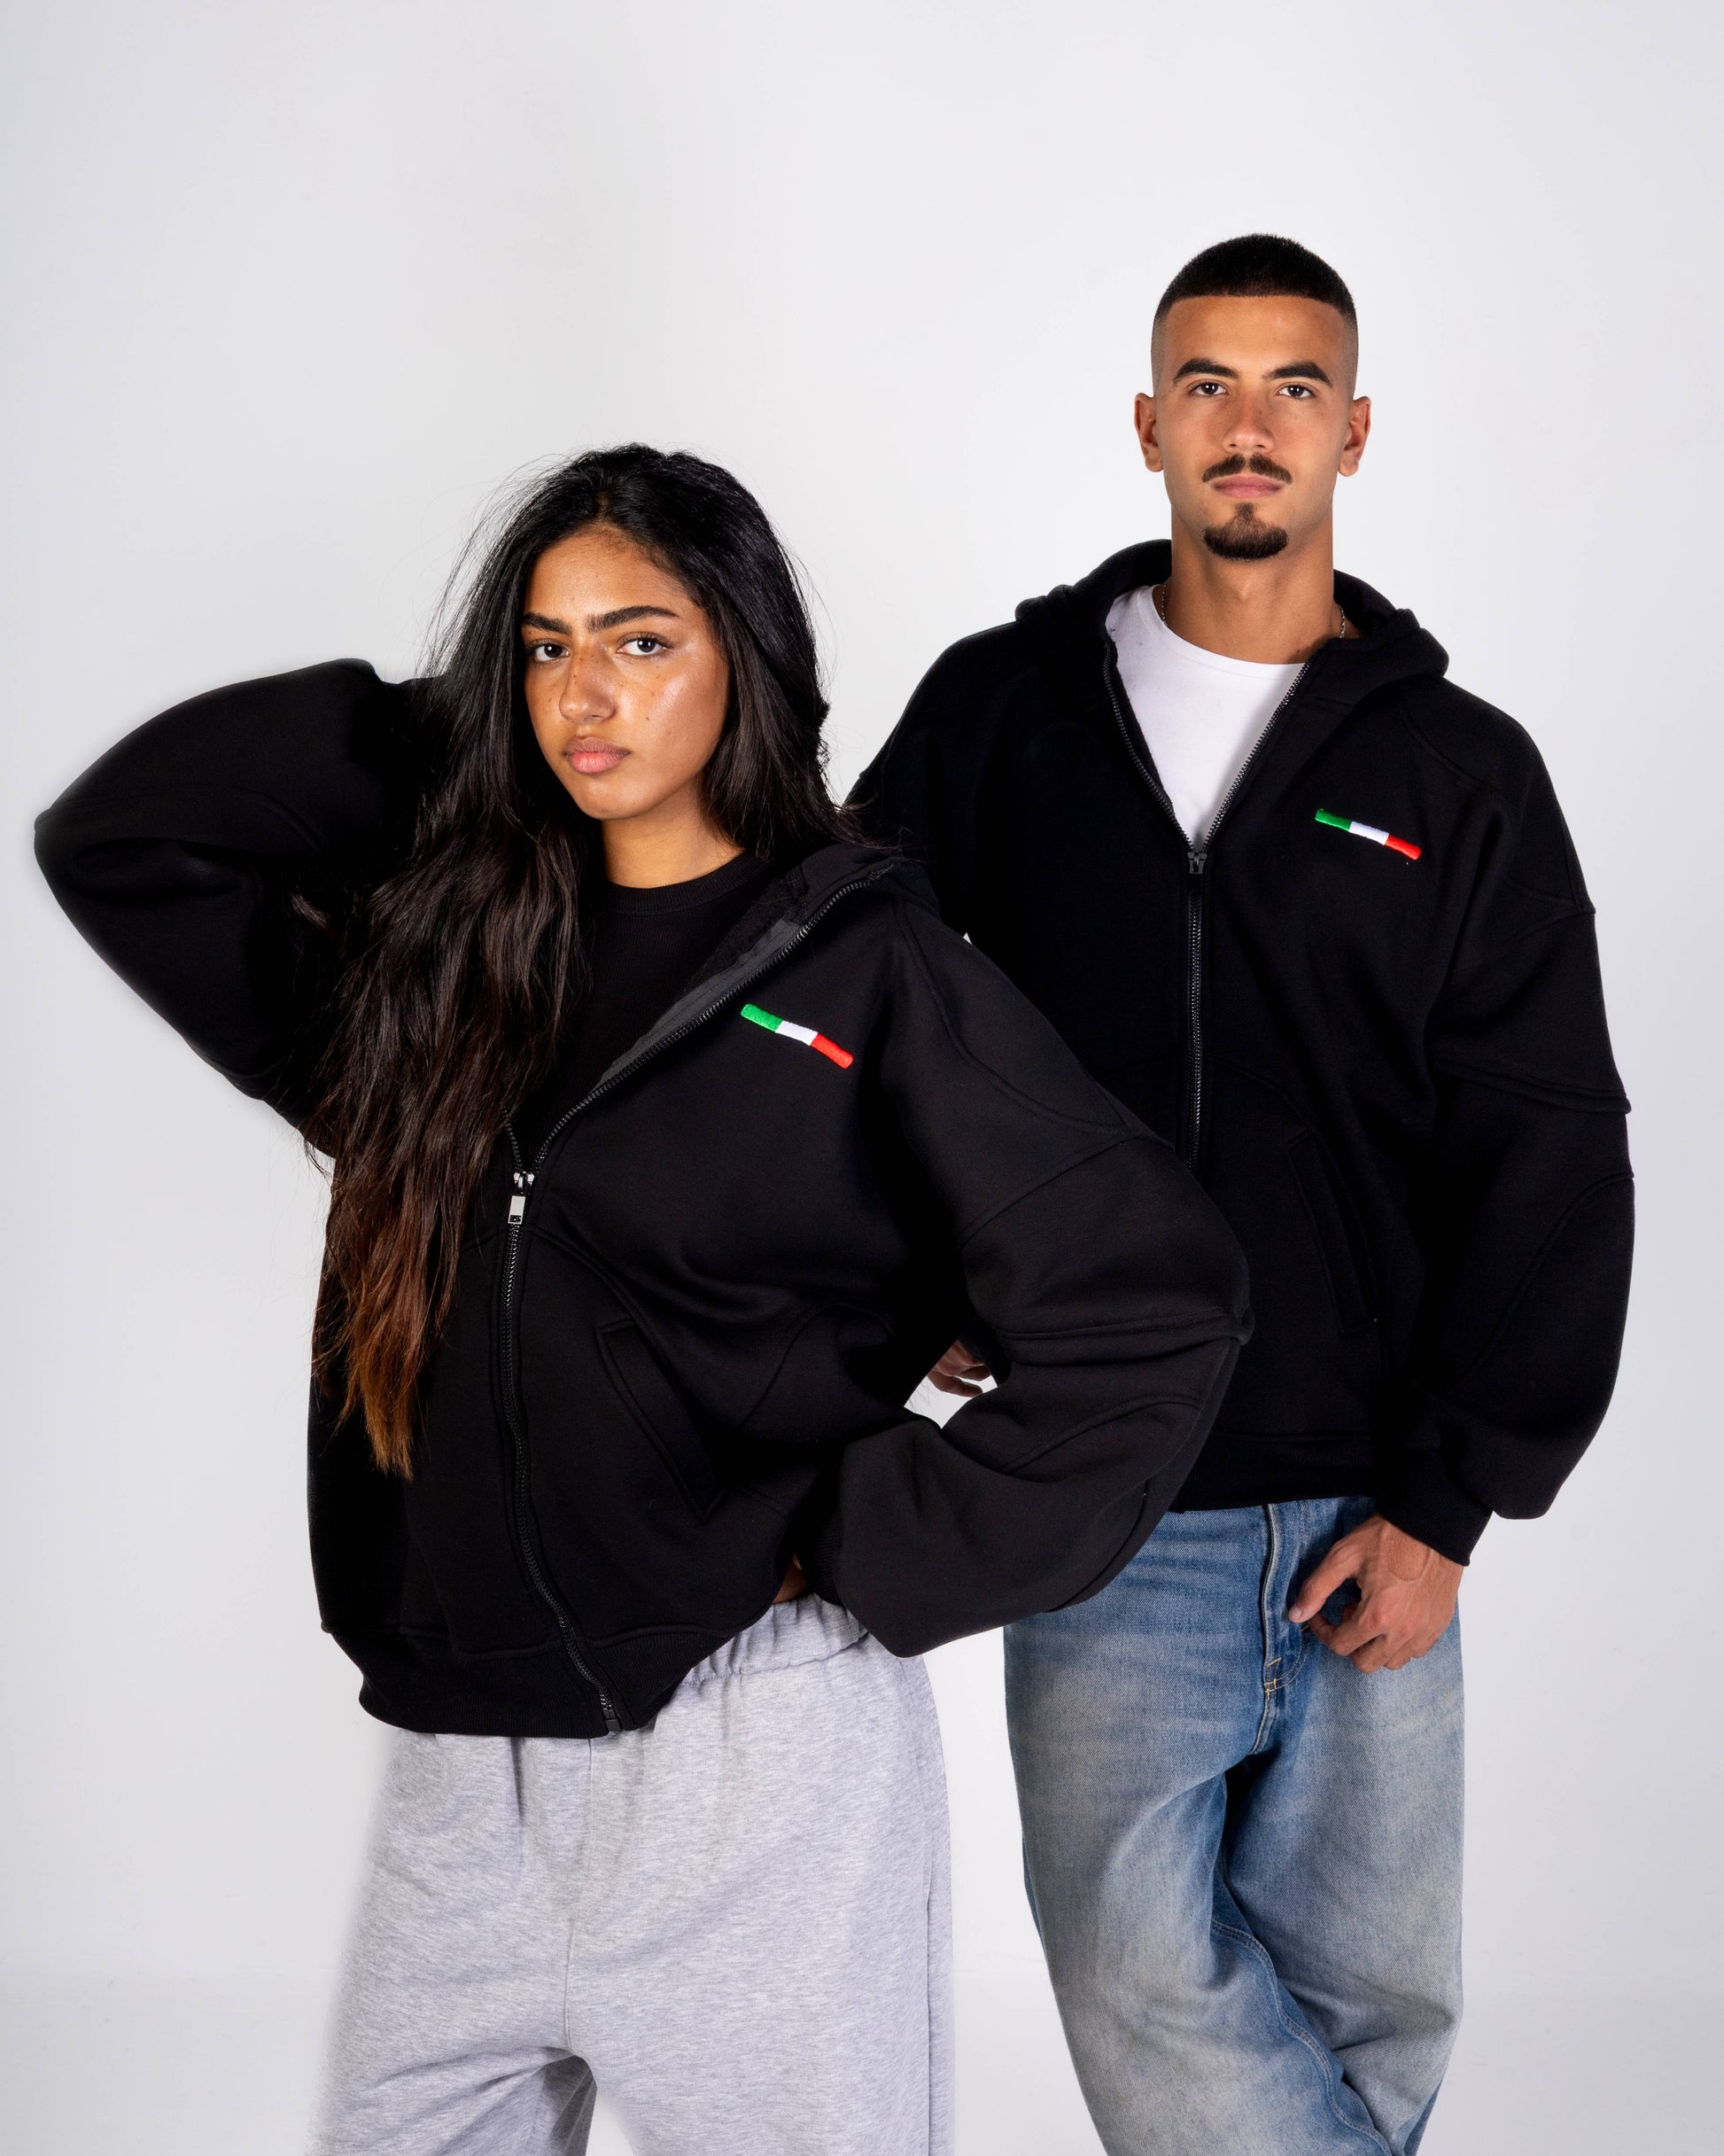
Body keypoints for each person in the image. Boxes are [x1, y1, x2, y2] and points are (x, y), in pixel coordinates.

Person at [35, 445, 1249, 2156]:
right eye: (544, 647)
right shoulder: (442, 979)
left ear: (745, 655)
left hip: (754, 1758)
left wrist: (872, 1536)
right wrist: (468, 730)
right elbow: (122, 837)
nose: (582, 695)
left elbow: (1151, 1299)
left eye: (641, 641)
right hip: (467, 1774)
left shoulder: (869, 972)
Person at [854, 237, 1634, 2155]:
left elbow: (1547, 1142)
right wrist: (906, 1280)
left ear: (1353, 431)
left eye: (1294, 387)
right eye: (1206, 384)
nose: (1249, 425)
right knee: (1137, 1982)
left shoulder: (1459, 769)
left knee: (1374, 2014)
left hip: (1375, 1500)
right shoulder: (1001, 714)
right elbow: (831, 1010)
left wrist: (1450, 1500)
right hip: (1101, 1489)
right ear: (1148, 426)